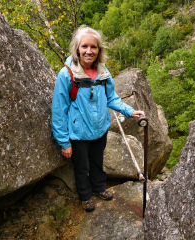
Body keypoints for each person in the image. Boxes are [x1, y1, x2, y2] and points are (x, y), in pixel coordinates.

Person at [51, 25, 145, 212]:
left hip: (100, 129)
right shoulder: (67, 74)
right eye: (84, 46)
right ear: (77, 49)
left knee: (97, 162)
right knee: (81, 167)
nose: (89, 51)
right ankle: (85, 196)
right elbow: (58, 110)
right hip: (78, 133)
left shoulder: (103, 72)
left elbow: (111, 98)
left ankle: (99, 188)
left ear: (99, 50)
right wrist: (64, 142)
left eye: (93, 47)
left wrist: (130, 111)